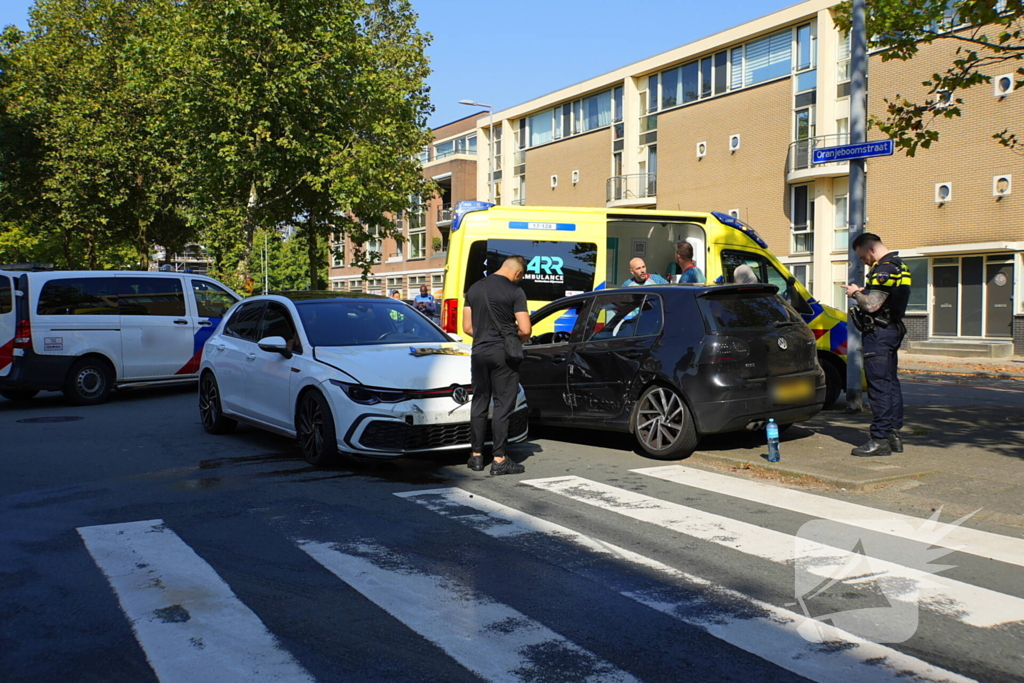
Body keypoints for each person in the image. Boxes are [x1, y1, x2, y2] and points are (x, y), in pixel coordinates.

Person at [843, 232, 912, 457]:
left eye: (862, 256)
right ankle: (893, 434)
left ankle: (879, 439)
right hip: (892, 329)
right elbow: (887, 298)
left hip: (879, 333)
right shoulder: (899, 265)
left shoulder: (884, 269)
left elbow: (872, 306)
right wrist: (868, 292)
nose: (863, 261)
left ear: (870, 249)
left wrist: (856, 294)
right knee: (890, 383)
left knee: (879, 386)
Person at [462, 256, 532, 475]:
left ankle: (475, 457)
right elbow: (526, 329)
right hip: (502, 355)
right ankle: (499, 459)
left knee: (480, 402)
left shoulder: (473, 289)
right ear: (518, 273)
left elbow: (467, 327)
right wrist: (512, 341)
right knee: (502, 405)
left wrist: (485, 335)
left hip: (479, 351)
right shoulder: (515, 291)